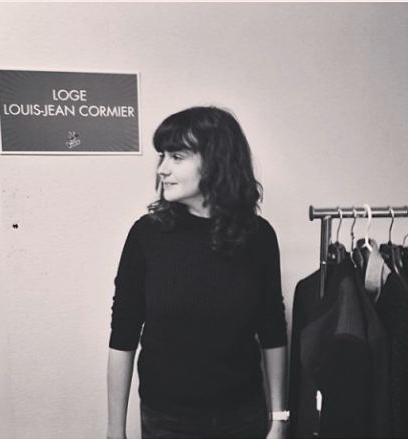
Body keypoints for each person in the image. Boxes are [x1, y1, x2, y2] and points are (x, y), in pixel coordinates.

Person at [107, 106, 289, 439]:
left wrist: (279, 418)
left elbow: (273, 327)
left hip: (243, 417)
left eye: (177, 157)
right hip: (168, 421)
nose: (162, 169)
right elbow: (123, 331)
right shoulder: (146, 235)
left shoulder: (259, 237)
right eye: (162, 157)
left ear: (216, 161)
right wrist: (114, 431)